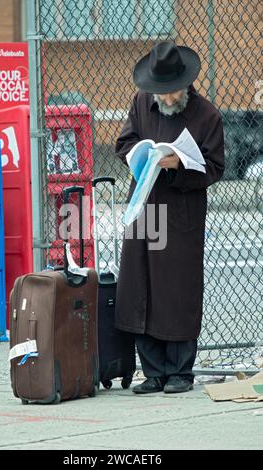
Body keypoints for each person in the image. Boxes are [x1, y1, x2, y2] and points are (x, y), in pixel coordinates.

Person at [115, 41, 225, 394]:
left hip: (180, 212)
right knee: (140, 282)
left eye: (172, 90)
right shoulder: (140, 103)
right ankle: (153, 372)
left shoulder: (207, 116)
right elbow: (124, 142)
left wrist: (178, 163)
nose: (166, 97)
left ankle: (180, 371)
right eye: (160, 91)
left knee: (176, 287)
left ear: (186, 83)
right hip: (145, 205)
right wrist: (140, 153)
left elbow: (215, 167)